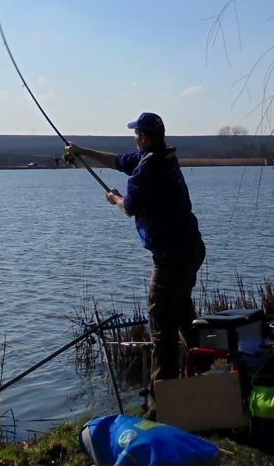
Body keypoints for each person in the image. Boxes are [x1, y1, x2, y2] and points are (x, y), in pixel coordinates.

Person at [65, 112, 205, 386]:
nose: (134, 138)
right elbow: (118, 161)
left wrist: (114, 198)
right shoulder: (164, 157)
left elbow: (129, 207)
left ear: (143, 136)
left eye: (136, 133)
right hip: (191, 249)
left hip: (170, 257)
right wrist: (82, 151)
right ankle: (208, 372)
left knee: (161, 327)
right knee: (183, 314)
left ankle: (163, 397)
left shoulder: (146, 170)